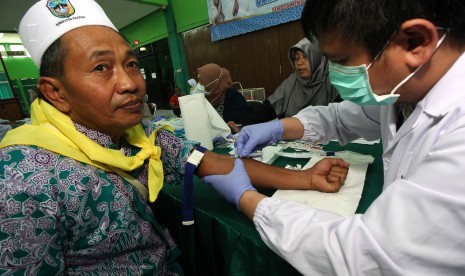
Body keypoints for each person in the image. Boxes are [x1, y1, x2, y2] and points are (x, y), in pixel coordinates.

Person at [0, 0, 348, 274]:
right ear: (55, 93)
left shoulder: (142, 135)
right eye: (101, 68)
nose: (131, 83)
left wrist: (305, 178)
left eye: (132, 64)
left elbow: (213, 163)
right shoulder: (22, 181)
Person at [202, 0, 465, 274]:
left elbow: (364, 253)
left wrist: (248, 199)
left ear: (415, 42)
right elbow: (341, 117)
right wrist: (279, 127)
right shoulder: (404, 93)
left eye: (342, 62)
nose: (335, 74)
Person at [227, 37, 340, 133]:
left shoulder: (334, 81)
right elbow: (268, 109)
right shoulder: (292, 81)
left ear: (317, 57)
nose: (299, 62)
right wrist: (242, 126)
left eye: (305, 56)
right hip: (295, 140)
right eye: (296, 58)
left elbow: (342, 119)